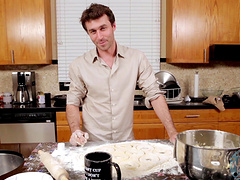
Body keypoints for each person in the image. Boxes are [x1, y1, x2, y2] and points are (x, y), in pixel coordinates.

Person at [66, 3, 178, 146]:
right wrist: (75, 130)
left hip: (126, 143)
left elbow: (155, 95)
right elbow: (72, 102)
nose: (99, 36)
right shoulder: (79, 65)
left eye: (103, 28)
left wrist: (172, 131)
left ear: (113, 26)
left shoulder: (136, 58)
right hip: (92, 144)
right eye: (93, 31)